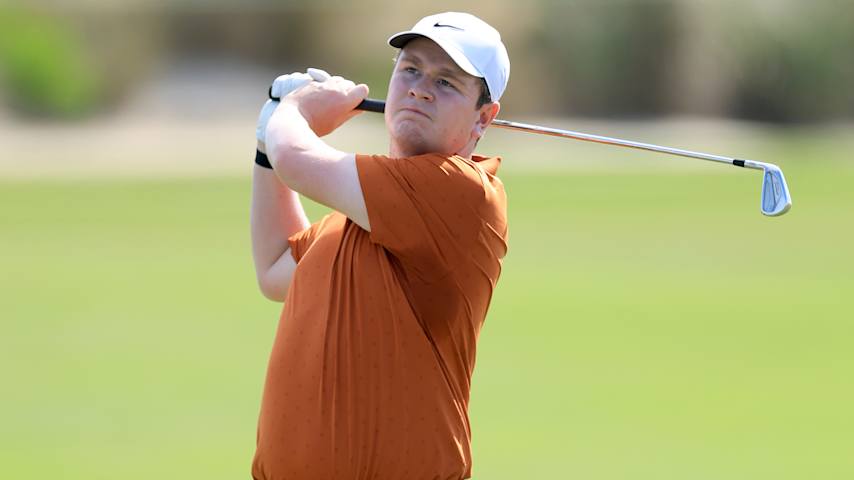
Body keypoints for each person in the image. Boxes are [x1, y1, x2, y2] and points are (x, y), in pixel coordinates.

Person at [249, 11, 510, 480]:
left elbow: (296, 157)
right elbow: (273, 267)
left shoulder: (462, 194)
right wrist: (267, 144)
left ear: (483, 118)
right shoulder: (352, 216)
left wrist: (295, 113)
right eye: (410, 69)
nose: (420, 88)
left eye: (447, 82)